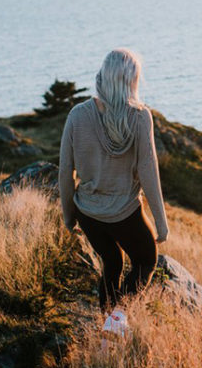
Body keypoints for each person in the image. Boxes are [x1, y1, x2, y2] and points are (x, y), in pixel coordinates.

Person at [58, 48, 169, 312]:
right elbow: (149, 171)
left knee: (112, 262)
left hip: (87, 213)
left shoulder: (77, 114)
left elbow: (65, 170)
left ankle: (108, 324)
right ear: (132, 80)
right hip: (125, 214)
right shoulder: (140, 117)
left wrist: (68, 215)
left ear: (103, 76)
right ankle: (117, 320)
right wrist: (161, 222)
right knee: (145, 262)